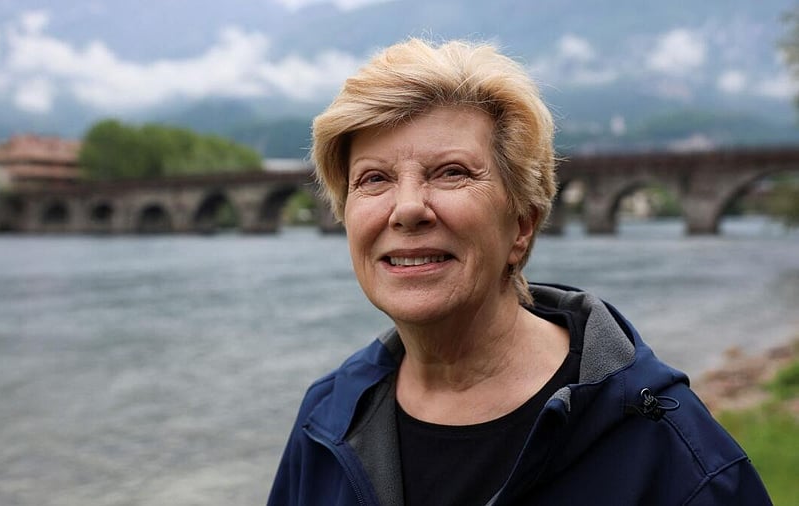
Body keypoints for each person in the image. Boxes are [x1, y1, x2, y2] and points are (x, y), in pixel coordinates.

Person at [268, 38, 771, 506]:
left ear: (523, 225)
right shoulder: (326, 421)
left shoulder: (668, 448)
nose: (407, 209)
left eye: (451, 172)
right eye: (373, 179)